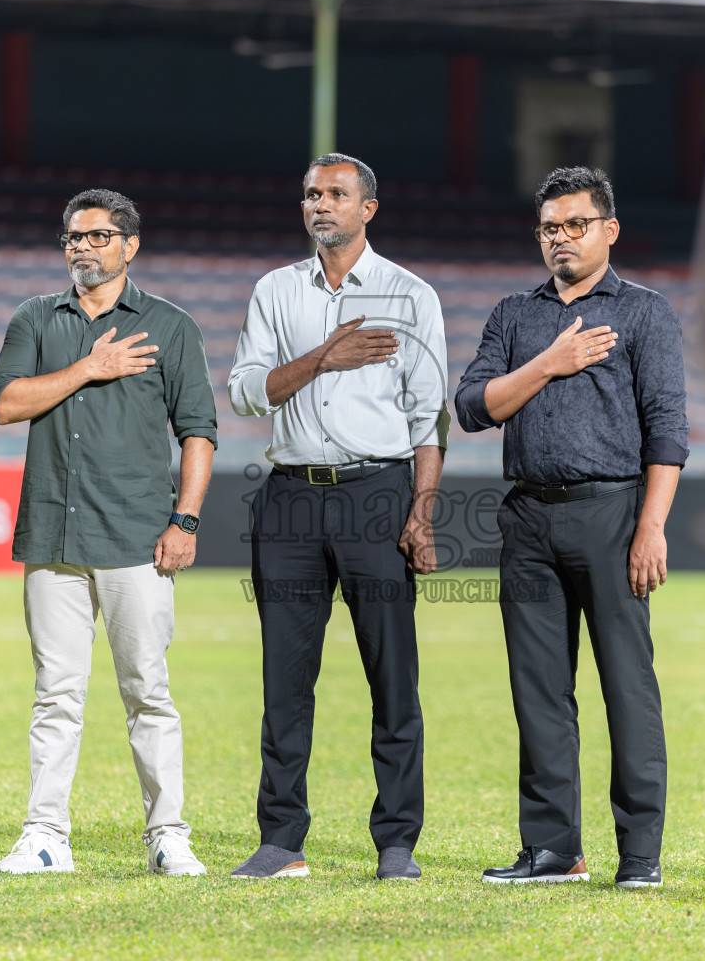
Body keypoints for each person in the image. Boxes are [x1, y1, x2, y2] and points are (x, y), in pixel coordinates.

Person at [454, 166, 687, 888]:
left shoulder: (646, 313)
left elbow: (668, 430)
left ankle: (639, 857)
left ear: (608, 230)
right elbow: (472, 406)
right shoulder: (514, 315)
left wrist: (651, 527)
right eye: (550, 228)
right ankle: (554, 850)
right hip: (526, 516)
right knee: (539, 690)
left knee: (628, 688)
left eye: (575, 225)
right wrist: (549, 363)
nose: (561, 239)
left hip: (613, 516)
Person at [226, 153, 448, 880]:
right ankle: (281, 839)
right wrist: (323, 357)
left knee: (393, 677)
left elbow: (428, 418)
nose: (320, 204)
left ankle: (396, 843)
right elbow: (248, 393)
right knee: (284, 680)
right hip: (289, 497)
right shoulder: (274, 291)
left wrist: (420, 514)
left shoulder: (411, 295)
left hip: (376, 496)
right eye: (311, 194)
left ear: (368, 209)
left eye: (336, 194)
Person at [0, 189, 217, 877]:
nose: (82, 247)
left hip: (138, 535)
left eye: (97, 236)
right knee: (56, 694)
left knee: (147, 689)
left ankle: (168, 835)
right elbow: (5, 403)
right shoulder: (35, 318)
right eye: (73, 238)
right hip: (53, 535)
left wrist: (186, 520)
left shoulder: (171, 327)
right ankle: (45, 836)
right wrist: (89, 365)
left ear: (130, 245)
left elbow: (199, 431)